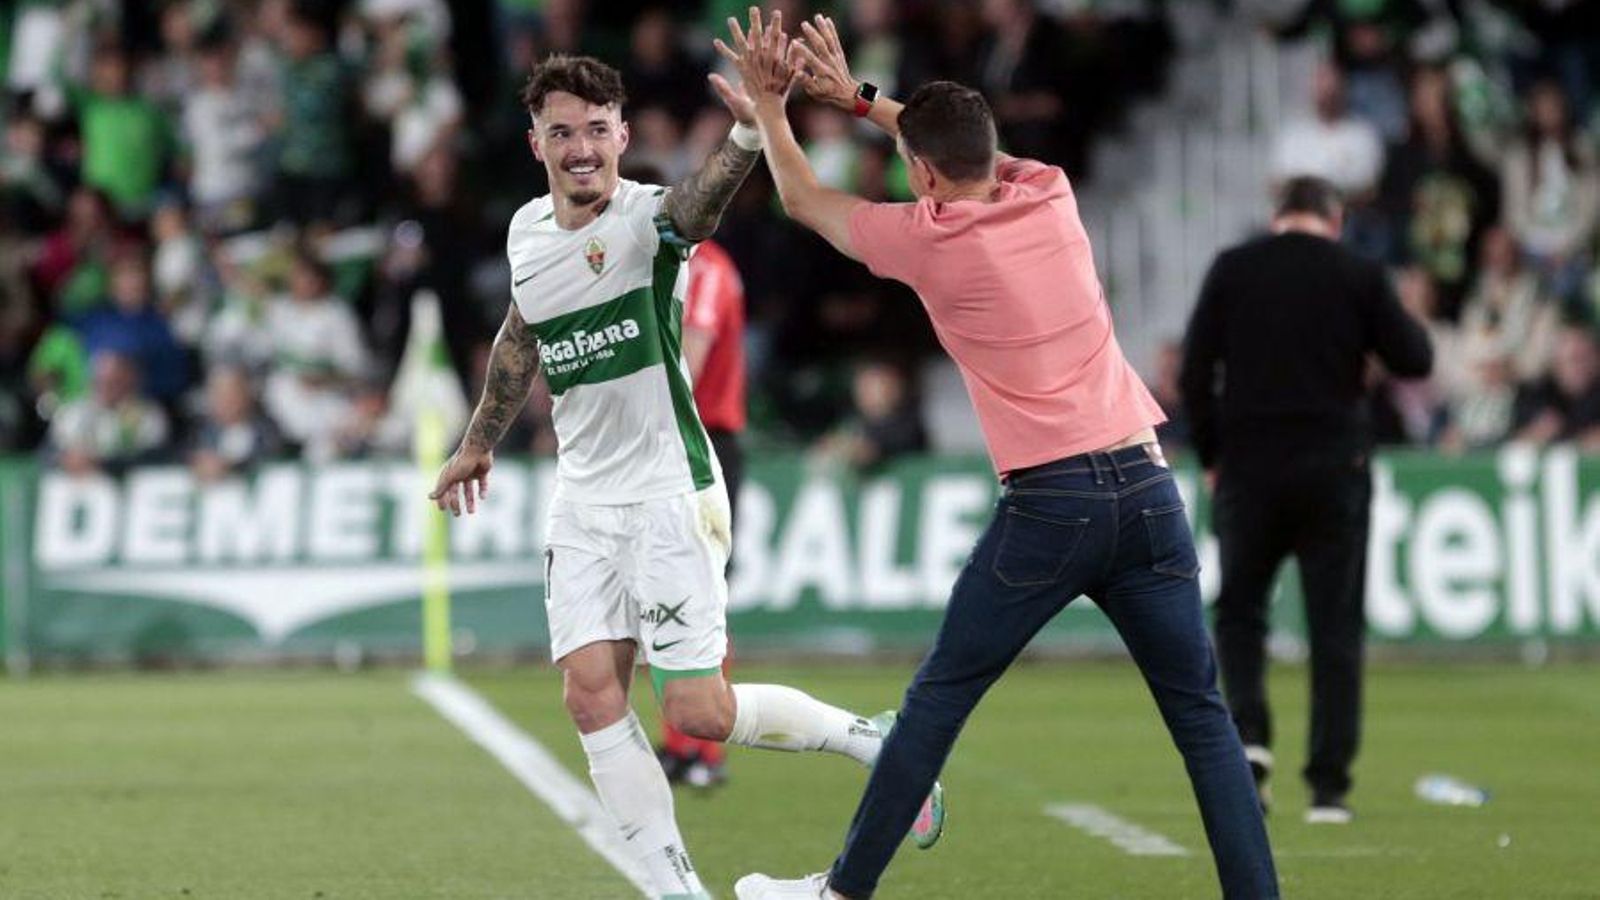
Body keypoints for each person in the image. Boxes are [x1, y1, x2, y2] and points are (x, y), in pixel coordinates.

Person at [729, 14, 1277, 900]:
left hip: (1053, 506)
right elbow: (959, 141)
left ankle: (841, 894)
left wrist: (771, 106)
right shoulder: (1049, 191)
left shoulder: (930, 237)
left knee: (938, 699)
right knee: (1204, 723)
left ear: (926, 175)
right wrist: (866, 101)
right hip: (1147, 489)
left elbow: (802, 200)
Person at [426, 42, 942, 900]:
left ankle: (872, 738)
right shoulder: (525, 232)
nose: (581, 147)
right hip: (583, 502)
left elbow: (695, 214)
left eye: (597, 129)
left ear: (623, 136)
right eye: (563, 132)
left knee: (697, 711)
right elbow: (523, 335)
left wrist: (743, 141)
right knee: (590, 698)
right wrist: (480, 439)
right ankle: (678, 892)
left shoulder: (647, 220)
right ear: (536, 144)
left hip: (670, 493)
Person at [1179, 177, 1434, 824]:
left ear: (1277, 216)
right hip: (1334, 470)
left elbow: (1193, 372)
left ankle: (1251, 736)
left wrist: (1211, 454)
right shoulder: (1359, 272)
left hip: (1249, 469)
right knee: (1335, 628)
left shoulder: (1234, 269)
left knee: (1240, 611)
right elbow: (1415, 358)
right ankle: (1327, 787)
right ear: (1335, 218)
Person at [654, 235, 748, 790]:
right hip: (674, 438)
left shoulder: (705, 265)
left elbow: (691, 358)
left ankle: (706, 751)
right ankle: (678, 743)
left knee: (705, 595)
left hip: (702, 439)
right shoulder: (685, 264)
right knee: (665, 595)